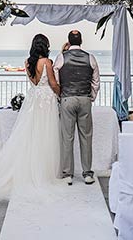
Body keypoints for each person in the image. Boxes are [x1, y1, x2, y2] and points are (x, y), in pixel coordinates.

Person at [0, 33, 60, 200]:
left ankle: (27, 169)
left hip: (34, 99)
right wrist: (60, 93)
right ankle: (43, 173)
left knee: (31, 135)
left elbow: (34, 83)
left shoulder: (28, 63)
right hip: (47, 101)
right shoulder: (47, 62)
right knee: (45, 135)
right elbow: (53, 84)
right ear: (45, 46)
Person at [53, 29, 100, 186]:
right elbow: (96, 82)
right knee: (86, 137)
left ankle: (68, 174)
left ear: (69, 41)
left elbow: (56, 79)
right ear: (81, 41)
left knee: (67, 137)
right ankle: (87, 174)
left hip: (67, 99)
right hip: (85, 99)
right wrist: (90, 97)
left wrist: (61, 96)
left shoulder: (61, 57)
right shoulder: (90, 58)